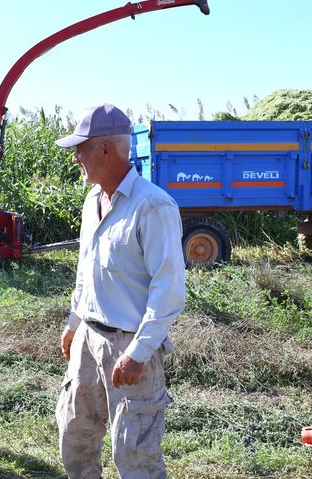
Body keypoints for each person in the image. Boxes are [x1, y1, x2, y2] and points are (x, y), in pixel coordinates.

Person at [54, 104, 186, 478]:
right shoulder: (92, 202)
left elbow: (169, 289)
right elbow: (87, 268)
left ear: (106, 149)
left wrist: (139, 352)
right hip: (89, 338)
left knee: (135, 455)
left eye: (81, 148)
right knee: (75, 436)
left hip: (129, 345)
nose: (76, 157)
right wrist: (74, 321)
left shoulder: (153, 206)